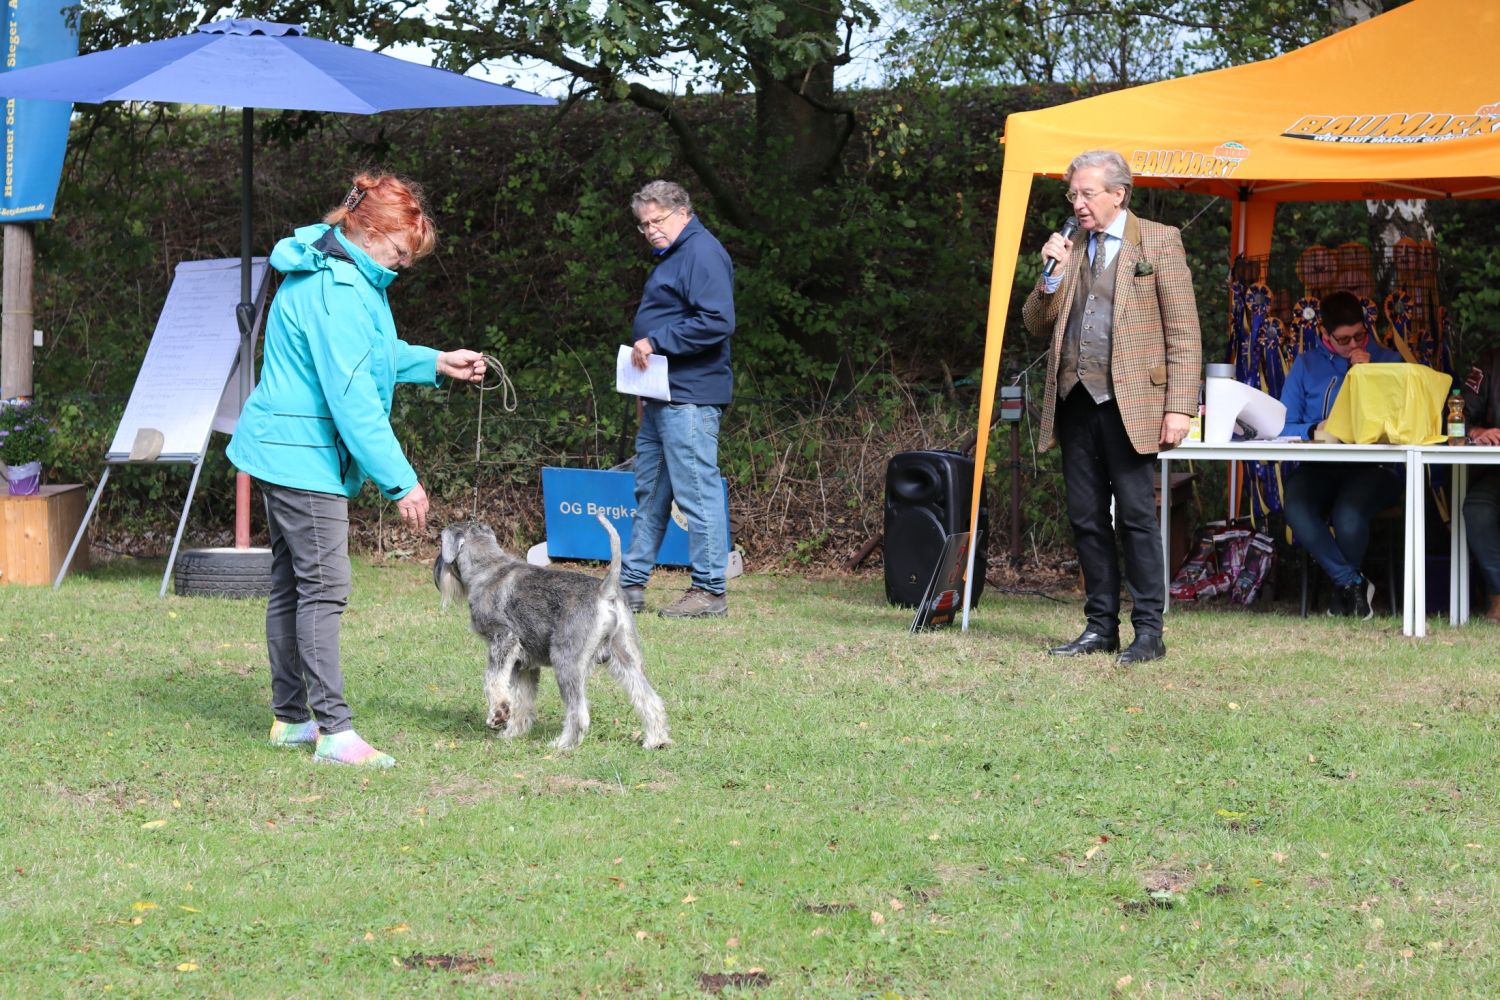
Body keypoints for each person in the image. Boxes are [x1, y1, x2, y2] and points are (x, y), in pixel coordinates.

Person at [227, 172, 487, 766]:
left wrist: (435, 361)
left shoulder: (337, 269)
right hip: (303, 457)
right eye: (400, 252)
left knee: (293, 585)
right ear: (369, 233)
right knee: (324, 588)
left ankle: (292, 719)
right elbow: (352, 398)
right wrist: (401, 480)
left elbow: (372, 354)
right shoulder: (338, 287)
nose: (404, 265)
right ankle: (334, 732)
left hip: (282, 449)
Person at [1022, 149, 1201, 665]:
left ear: (1118, 194)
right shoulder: (1069, 247)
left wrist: (1179, 407)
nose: (1078, 204)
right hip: (1074, 400)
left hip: (1132, 403)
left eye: (1087, 194)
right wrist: (1050, 276)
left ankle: (1149, 632)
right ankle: (1100, 627)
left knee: (1137, 519)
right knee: (1086, 518)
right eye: (1073, 195)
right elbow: (1035, 324)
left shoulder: (1159, 241)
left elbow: (1184, 332)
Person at [619, 180, 735, 619]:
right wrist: (644, 388)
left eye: (657, 220)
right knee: (649, 492)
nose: (650, 230)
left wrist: (657, 341)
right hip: (661, 395)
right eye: (644, 224)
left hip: (690, 397)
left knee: (697, 495)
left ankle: (709, 590)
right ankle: (630, 585)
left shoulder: (702, 252)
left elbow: (717, 321)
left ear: (683, 212)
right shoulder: (674, 254)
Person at [1277, 289, 1403, 620]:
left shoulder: (1388, 361)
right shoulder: (1306, 365)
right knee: (1296, 506)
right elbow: (1282, 424)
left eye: (1359, 335)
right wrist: (1313, 429)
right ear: (1324, 333)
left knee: (1348, 514)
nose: (1353, 345)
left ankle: (1342, 590)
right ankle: (1350, 583)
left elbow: (1401, 420)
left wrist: (1367, 374)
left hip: (1374, 468)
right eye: (1344, 339)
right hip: (1320, 467)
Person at [1459, 347, 1500, 623]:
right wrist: (1477, 432)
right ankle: (1498, 596)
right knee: (1477, 508)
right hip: (1495, 472)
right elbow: (1456, 415)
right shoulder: (1490, 362)